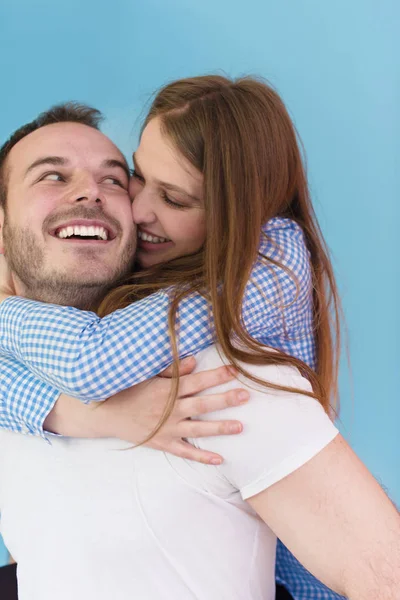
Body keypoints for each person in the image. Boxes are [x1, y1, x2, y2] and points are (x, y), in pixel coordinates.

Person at [0, 78, 399, 599]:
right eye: (139, 178)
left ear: (229, 222)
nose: (136, 208)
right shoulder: (37, 356)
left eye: (172, 198)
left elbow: (381, 572)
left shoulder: (227, 372)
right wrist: (83, 414)